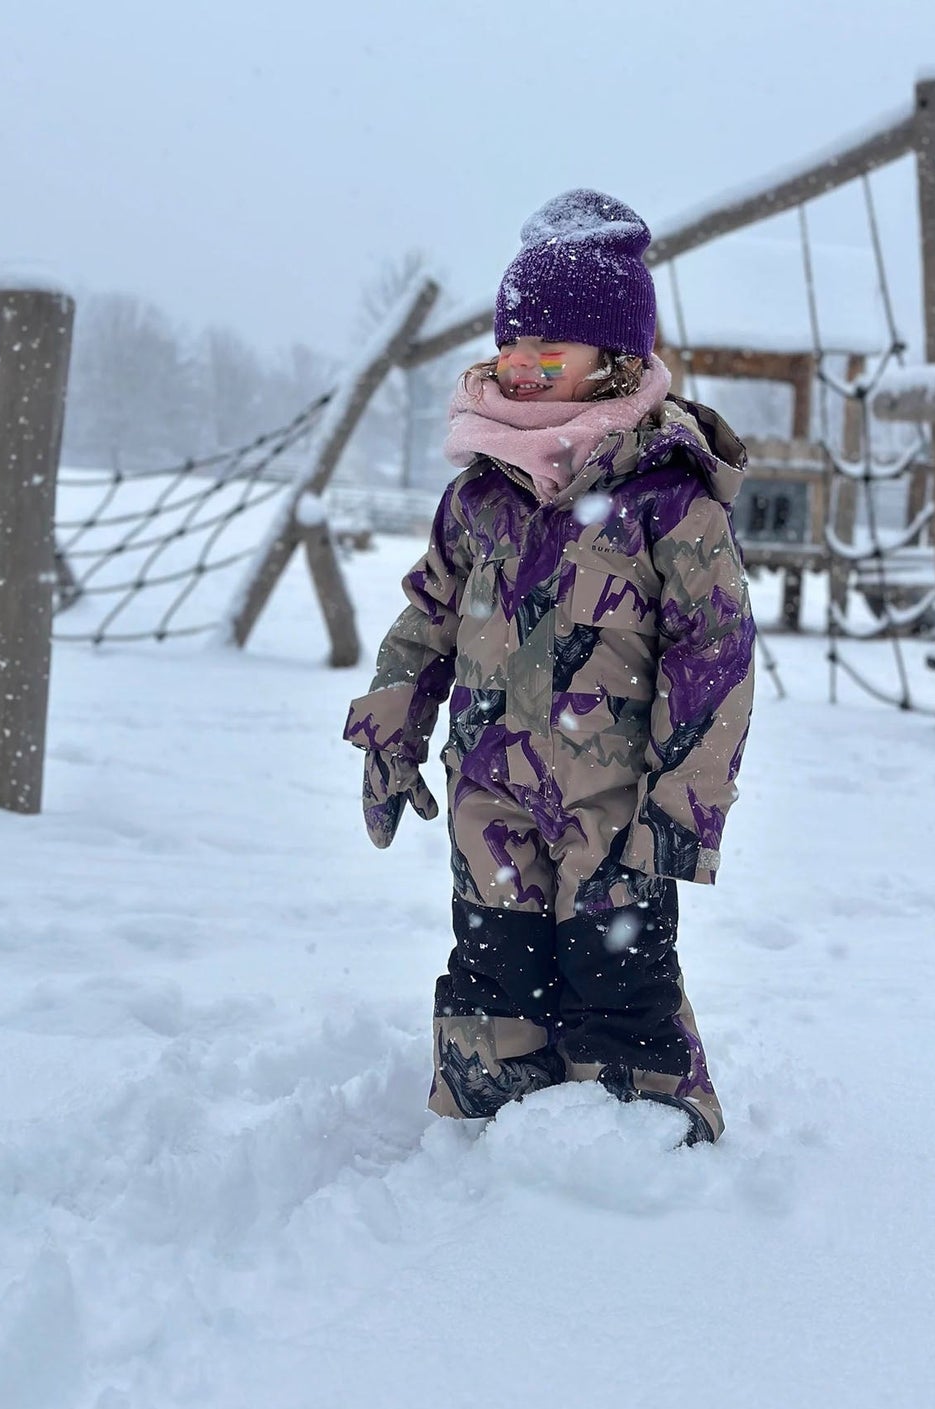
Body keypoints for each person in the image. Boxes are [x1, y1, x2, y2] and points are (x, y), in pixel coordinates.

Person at [343, 190, 754, 1145]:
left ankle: (640, 1152)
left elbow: (715, 655)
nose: (522, 365)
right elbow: (428, 616)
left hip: (618, 804)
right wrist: (391, 724)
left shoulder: (662, 496)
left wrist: (685, 806)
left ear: (613, 360)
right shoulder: (479, 494)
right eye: (513, 345)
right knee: (493, 972)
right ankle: (484, 1146)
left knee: (617, 977)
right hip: (490, 791)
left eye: (550, 348)